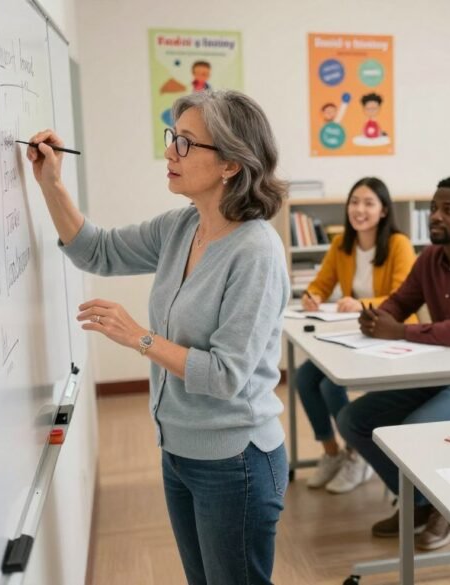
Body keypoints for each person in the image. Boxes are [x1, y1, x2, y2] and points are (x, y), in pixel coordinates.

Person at [26, 89, 290, 585]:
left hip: (237, 463)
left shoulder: (256, 252)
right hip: (180, 452)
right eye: (173, 138)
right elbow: (96, 251)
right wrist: (51, 184)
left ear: (231, 164)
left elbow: (226, 376)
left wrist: (139, 339)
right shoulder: (182, 225)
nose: (170, 152)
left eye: (187, 143)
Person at [337, 176, 450, 551]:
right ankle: (421, 502)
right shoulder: (430, 259)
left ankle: (443, 509)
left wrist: (399, 332)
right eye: (434, 208)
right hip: (440, 373)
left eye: (448, 210)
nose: (435, 216)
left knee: (413, 430)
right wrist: (375, 317)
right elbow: (399, 303)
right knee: (354, 420)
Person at [298, 177, 416, 494]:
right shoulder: (341, 245)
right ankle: (332, 453)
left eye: (368, 203)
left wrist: (360, 304)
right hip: (359, 332)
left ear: (383, 210)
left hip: (393, 333)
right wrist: (312, 296)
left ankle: (357, 454)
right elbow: (320, 285)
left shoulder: (398, 244)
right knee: (305, 378)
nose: (359, 209)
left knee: (328, 381)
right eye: (354, 202)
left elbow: (404, 296)